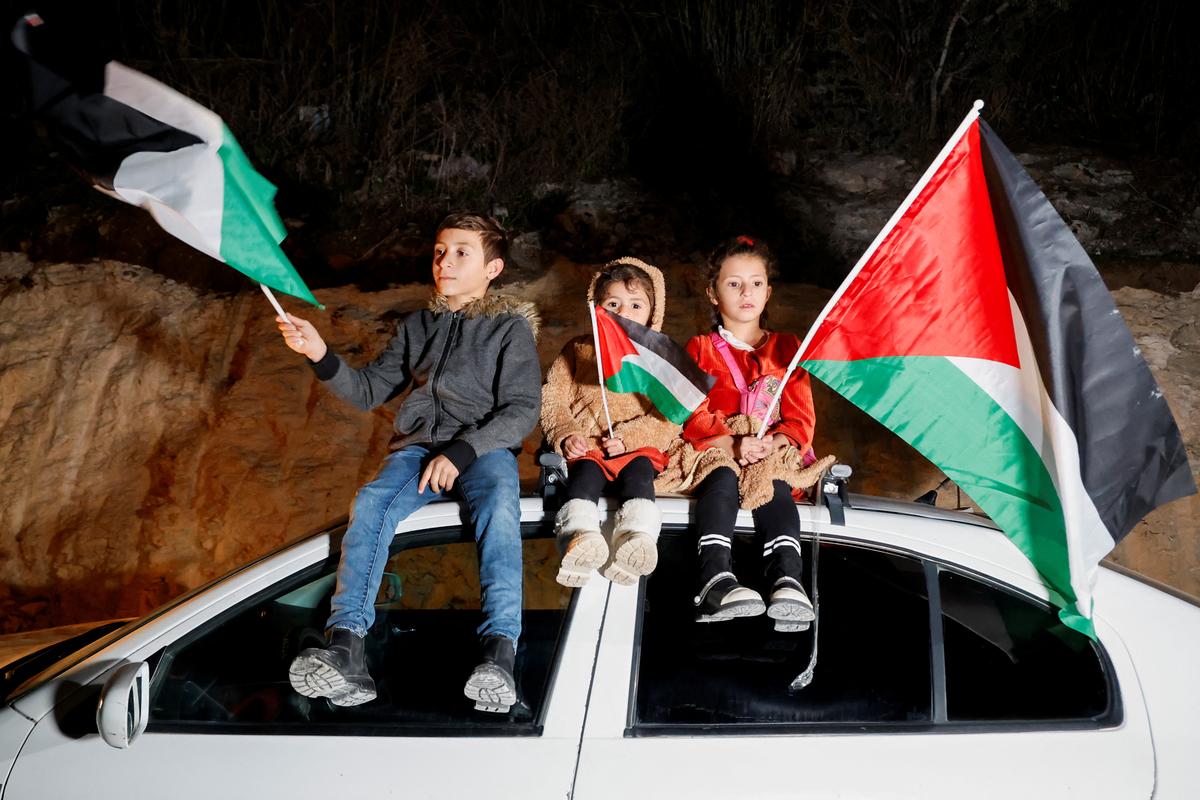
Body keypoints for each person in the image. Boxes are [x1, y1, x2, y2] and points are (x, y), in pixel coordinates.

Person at [277, 212, 541, 713]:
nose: (445, 261)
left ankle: (499, 652)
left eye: (462, 252)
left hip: (481, 450)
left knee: (499, 509)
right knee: (371, 502)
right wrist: (320, 354)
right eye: (440, 251)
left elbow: (522, 409)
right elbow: (369, 390)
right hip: (418, 450)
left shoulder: (509, 330)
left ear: (493, 268)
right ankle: (347, 647)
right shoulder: (418, 326)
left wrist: (462, 452)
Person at [674, 235, 832, 631]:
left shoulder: (788, 349)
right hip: (718, 449)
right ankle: (714, 578)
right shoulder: (699, 349)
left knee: (774, 484)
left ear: (768, 291)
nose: (747, 292)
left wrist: (772, 444)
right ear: (713, 294)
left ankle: (787, 579)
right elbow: (691, 414)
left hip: (771, 453)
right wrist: (733, 443)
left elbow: (800, 419)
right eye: (734, 283)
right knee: (722, 477)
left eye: (756, 283)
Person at [540, 258, 678, 587]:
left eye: (636, 305)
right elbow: (552, 399)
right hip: (589, 447)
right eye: (613, 304)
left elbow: (669, 418)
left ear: (653, 312)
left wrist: (630, 439)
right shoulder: (577, 350)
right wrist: (567, 433)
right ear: (596, 307)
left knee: (639, 477)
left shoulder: (660, 358)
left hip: (635, 450)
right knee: (584, 477)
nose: (623, 312)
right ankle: (579, 536)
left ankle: (636, 538)